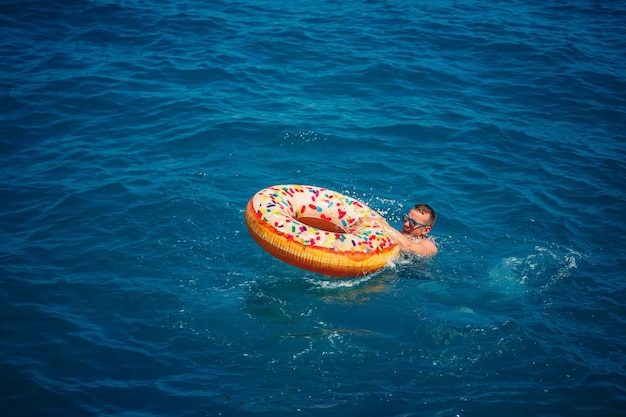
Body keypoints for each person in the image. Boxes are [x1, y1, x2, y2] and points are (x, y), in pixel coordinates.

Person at [353, 204, 438, 257]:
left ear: (426, 230)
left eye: (412, 223)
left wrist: (378, 223)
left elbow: (408, 246)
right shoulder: (399, 235)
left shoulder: (429, 246)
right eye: (406, 219)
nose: (406, 224)